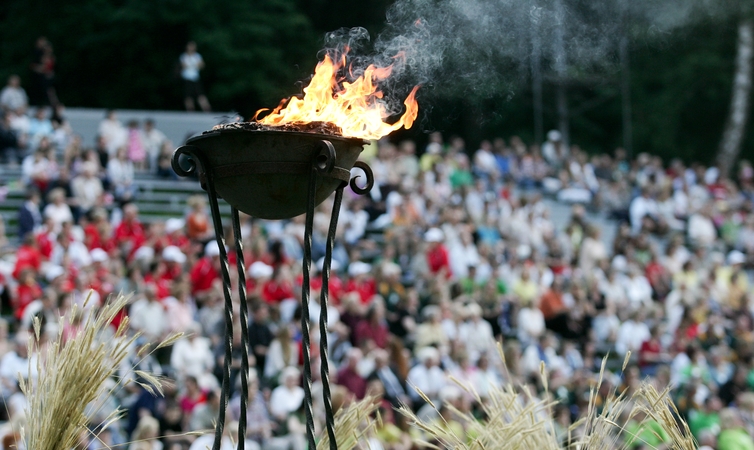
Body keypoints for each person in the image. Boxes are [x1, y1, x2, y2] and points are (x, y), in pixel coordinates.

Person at [180, 42, 211, 112]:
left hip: (195, 77)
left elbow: (202, 65)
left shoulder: (197, 56)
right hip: (187, 77)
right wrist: (195, 65)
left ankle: (206, 108)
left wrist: (192, 65)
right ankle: (190, 109)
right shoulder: (184, 56)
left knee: (200, 94)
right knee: (188, 95)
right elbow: (183, 66)